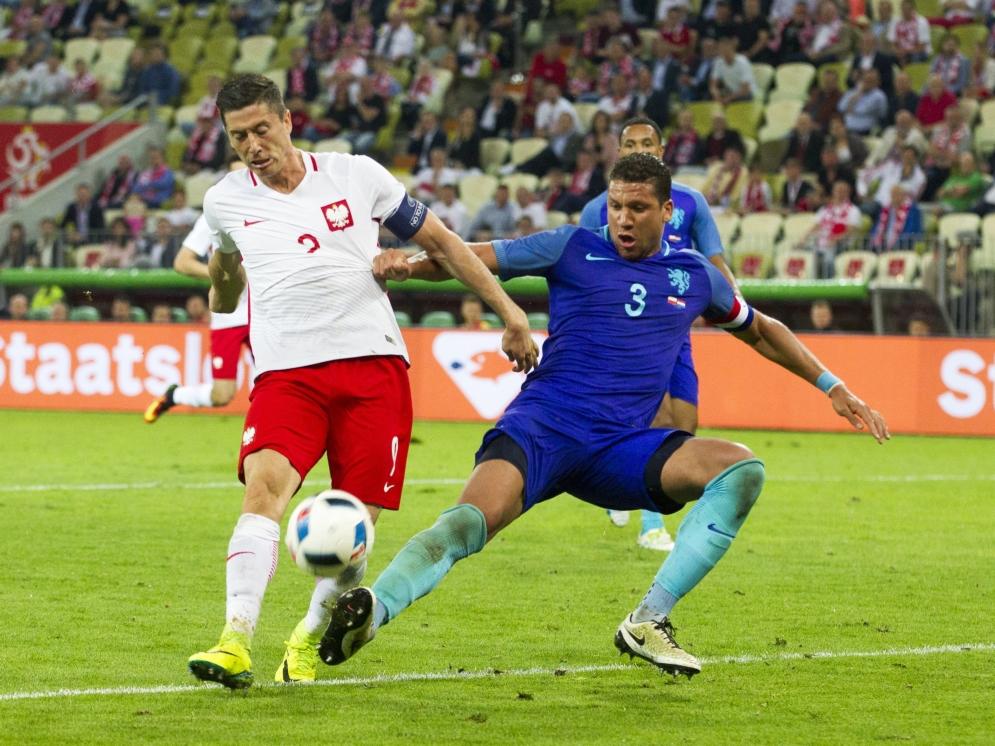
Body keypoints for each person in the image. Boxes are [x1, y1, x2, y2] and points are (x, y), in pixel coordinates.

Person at [318, 153, 889, 678]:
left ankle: (648, 620)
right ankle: (373, 612)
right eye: (616, 205)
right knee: (466, 524)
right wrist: (408, 264)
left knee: (742, 470)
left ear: (668, 211)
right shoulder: (571, 247)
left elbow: (761, 329)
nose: (623, 218)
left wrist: (833, 386)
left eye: (638, 207)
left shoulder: (695, 276)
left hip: (621, 447)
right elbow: (473, 257)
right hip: (542, 428)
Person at [185, 73, 538, 690]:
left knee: (357, 519)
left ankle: (304, 639)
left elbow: (444, 244)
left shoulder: (356, 174)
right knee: (265, 488)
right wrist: (221, 283)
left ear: (288, 120)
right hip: (286, 373)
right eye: (238, 137)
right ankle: (234, 639)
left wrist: (509, 312)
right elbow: (226, 283)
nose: (252, 146)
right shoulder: (224, 202)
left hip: (372, 367)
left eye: (261, 130)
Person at [579, 118, 737, 552]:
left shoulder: (690, 202)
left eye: (646, 143)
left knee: (684, 425)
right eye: (629, 144)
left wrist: (735, 302)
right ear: (618, 151)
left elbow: (715, 259)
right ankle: (652, 524)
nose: (637, 150)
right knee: (656, 418)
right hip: (625, 330)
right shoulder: (598, 207)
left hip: (675, 327)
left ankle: (616, 482)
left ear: (662, 150)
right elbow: (584, 264)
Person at [145, 165, 253, 422]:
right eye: (235, 175)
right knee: (222, 395)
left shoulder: (271, 211)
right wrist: (220, 276)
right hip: (228, 315)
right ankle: (174, 396)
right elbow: (182, 262)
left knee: (277, 383)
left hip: (266, 313)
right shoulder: (212, 217)